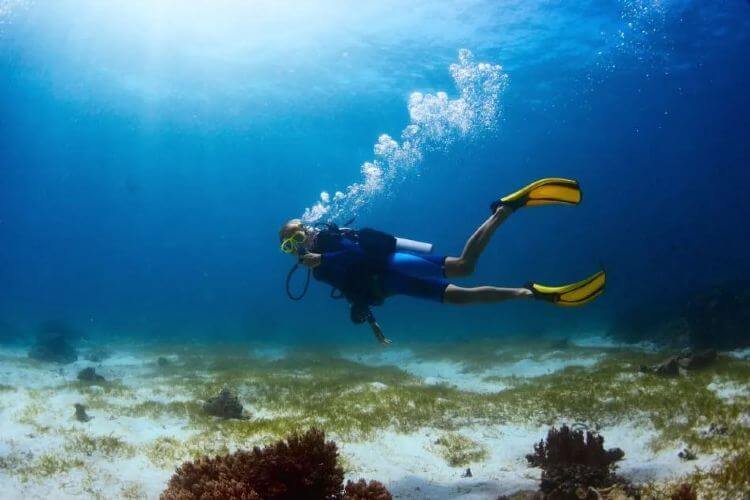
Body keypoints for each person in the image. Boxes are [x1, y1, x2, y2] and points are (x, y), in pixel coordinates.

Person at [279, 178, 605, 345]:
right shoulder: (317, 273)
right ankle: (532, 293)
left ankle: (504, 210)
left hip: (393, 264)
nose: (299, 245)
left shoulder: (329, 240)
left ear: (308, 229)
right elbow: (351, 288)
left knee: (464, 267)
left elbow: (359, 256)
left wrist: (323, 255)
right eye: (290, 245)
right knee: (460, 298)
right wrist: (371, 322)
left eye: (298, 236)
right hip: (391, 285)